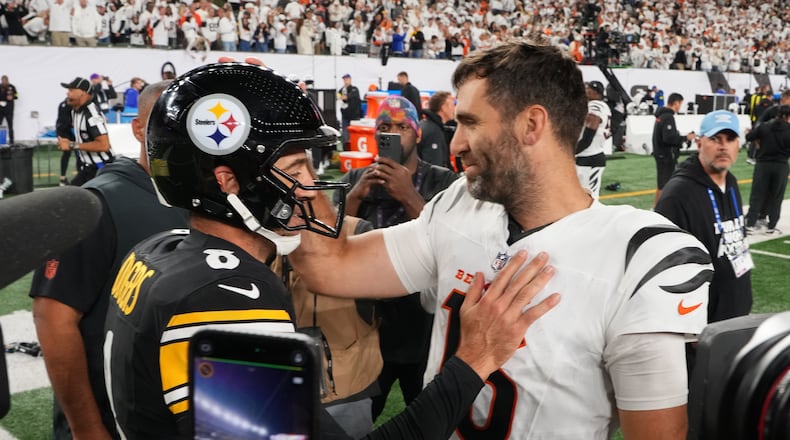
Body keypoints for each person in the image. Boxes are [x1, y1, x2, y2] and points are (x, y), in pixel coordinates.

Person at [103, 62, 560, 439]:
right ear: (228, 181)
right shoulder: (226, 295)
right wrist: (475, 358)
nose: (310, 185)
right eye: (296, 166)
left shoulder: (159, 251)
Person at [290, 41, 713, 439]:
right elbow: (329, 265)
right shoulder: (460, 203)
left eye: (470, 123)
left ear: (531, 125)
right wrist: (290, 163)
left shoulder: (642, 256)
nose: (456, 143)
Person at [29, 80, 187, 440]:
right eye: (168, 120)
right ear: (138, 128)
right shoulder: (92, 205)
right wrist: (87, 428)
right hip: (110, 419)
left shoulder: (208, 200)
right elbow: (52, 319)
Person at [335, 96, 458, 422]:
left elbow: (450, 243)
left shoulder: (444, 182)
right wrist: (355, 197)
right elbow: (328, 243)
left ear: (417, 133)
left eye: (402, 127)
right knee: (359, 421)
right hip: (367, 325)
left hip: (422, 325)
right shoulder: (354, 180)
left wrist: (409, 195)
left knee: (431, 420)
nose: (392, 133)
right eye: (385, 127)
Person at [655, 110, 752, 325]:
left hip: (735, 310)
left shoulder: (731, 182)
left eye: (730, 139)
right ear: (699, 143)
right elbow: (663, 268)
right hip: (701, 320)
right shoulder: (678, 194)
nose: (723, 146)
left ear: (738, 145)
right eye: (715, 139)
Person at [743, 105, 790, 236]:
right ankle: (771, 226)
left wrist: (758, 142)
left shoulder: (764, 126)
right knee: (776, 197)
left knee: (757, 195)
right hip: (781, 165)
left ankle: (750, 224)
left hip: (763, 164)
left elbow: (749, 137)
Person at [59, 76, 114, 186]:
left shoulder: (92, 115)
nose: (67, 93)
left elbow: (104, 145)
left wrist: (72, 145)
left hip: (100, 168)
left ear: (82, 93)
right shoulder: (75, 111)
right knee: (72, 193)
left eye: (71, 90)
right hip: (87, 167)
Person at [652, 92, 695, 206]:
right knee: (666, 184)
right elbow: (668, 138)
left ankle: (656, 208)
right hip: (666, 156)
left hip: (660, 154)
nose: (680, 106)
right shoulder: (668, 117)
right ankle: (660, 209)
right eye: (680, 104)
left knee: (662, 183)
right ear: (676, 103)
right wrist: (685, 138)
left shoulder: (661, 116)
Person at [574, 80, 610, 198]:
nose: (585, 90)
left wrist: (572, 151)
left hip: (590, 156)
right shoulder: (604, 106)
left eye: (588, 88)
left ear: (595, 92)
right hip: (589, 155)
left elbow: (588, 136)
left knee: (589, 198)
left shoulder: (596, 105)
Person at [417, 90, 456, 169]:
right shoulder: (433, 131)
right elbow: (434, 168)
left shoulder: (426, 124)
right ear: (444, 107)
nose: (455, 109)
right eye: (453, 105)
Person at [338, 73, 362, 147]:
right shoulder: (342, 90)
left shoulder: (354, 89)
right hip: (345, 115)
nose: (346, 81)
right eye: (344, 80)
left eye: (347, 79)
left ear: (350, 80)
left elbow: (346, 97)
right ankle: (346, 147)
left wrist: (343, 96)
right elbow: (338, 96)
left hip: (354, 116)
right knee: (345, 134)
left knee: (355, 133)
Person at [0, 75, 18, 145]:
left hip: (9, 110)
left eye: (6, 80)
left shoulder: (12, 87)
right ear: (1, 80)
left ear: (8, 80)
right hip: (0, 110)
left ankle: (11, 141)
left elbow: (17, 96)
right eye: (3, 80)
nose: (4, 82)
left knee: (10, 126)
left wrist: (12, 97)